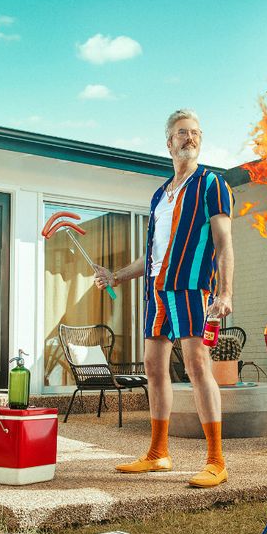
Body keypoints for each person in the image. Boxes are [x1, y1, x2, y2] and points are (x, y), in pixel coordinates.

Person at [93, 109, 234, 488]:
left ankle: (216, 461)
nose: (189, 138)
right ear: (168, 142)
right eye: (181, 133)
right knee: (153, 368)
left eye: (195, 133)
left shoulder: (212, 184)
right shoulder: (160, 194)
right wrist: (118, 276)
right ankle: (158, 453)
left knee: (196, 365)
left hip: (191, 288)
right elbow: (153, 254)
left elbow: (223, 244)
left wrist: (225, 292)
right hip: (156, 290)